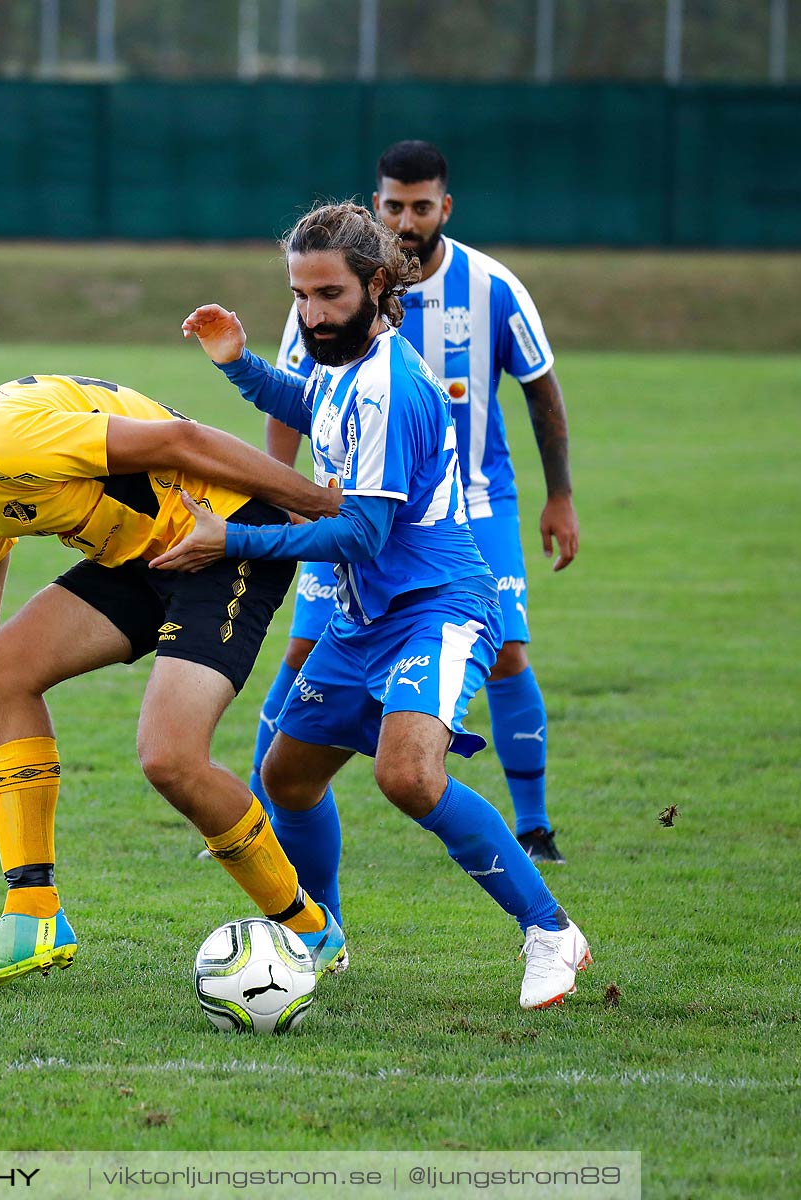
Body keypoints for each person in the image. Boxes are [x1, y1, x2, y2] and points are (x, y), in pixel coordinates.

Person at [169, 201, 591, 1009]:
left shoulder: (393, 386)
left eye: (328, 295)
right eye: (299, 295)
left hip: (440, 607)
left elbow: (360, 535)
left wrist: (231, 543)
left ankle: (548, 929)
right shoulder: (350, 372)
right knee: (287, 778)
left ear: (374, 283)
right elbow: (316, 411)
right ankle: (322, 932)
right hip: (367, 619)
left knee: (406, 775)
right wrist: (240, 366)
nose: (312, 313)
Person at [0, 373, 348, 992]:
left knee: (170, 758)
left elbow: (181, 440)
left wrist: (326, 509)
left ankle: (309, 929)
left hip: (221, 536)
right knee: (0, 666)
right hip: (142, 558)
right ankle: (31, 916)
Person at [259, 140, 579, 864]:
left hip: (471, 501)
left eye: (421, 206)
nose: (407, 219)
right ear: (377, 206)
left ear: (445, 207)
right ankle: (254, 821)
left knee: (506, 652)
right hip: (350, 499)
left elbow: (541, 388)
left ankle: (533, 827)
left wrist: (559, 495)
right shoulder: (325, 293)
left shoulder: (493, 286)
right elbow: (287, 401)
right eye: (394, 205)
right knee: (305, 647)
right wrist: (279, 494)